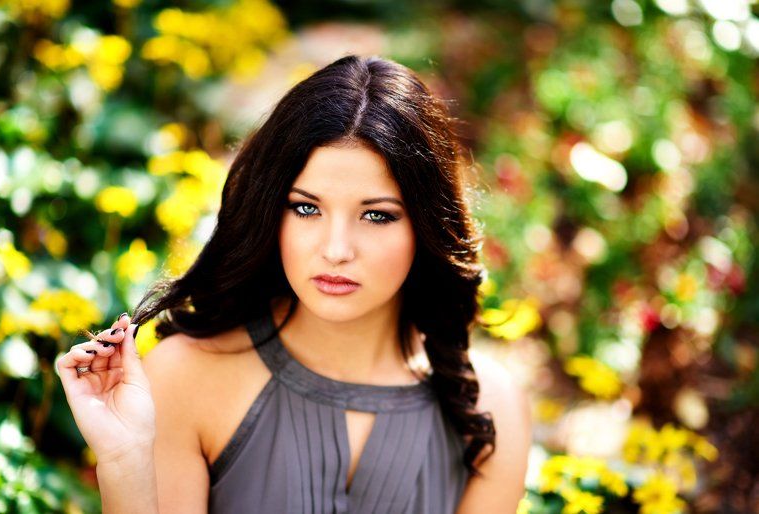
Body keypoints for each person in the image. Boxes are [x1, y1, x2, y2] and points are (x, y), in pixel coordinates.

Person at [56, 54, 532, 514]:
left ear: (425, 226)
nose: (337, 249)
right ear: (270, 212)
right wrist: (125, 460)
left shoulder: (490, 409)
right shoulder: (185, 378)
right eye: (306, 208)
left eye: (376, 215)